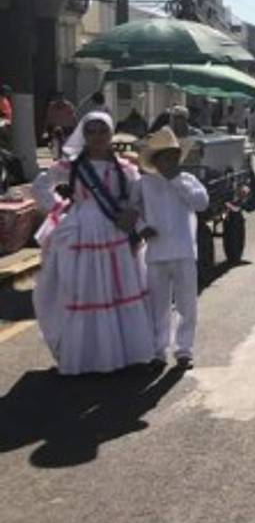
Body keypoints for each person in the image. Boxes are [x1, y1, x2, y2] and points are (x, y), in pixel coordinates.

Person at [32, 111, 158, 374]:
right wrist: (60, 211)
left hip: (116, 232)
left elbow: (137, 197)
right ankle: (88, 356)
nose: (98, 136)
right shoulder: (72, 166)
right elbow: (41, 186)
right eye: (92, 131)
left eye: (103, 131)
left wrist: (132, 213)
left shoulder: (125, 167)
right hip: (82, 231)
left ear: (111, 134)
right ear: (84, 134)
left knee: (118, 287)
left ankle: (123, 353)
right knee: (85, 288)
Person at [137, 127, 210, 369]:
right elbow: (133, 210)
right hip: (156, 253)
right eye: (164, 158)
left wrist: (177, 181)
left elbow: (201, 203)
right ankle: (159, 351)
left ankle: (184, 350)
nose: (169, 162)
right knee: (158, 306)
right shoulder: (144, 184)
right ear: (155, 161)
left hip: (184, 251)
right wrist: (141, 227)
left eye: (173, 157)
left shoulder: (188, 181)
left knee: (186, 304)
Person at [44, 92, 77, 159]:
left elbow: (73, 117)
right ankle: (56, 154)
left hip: (67, 127)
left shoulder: (68, 106)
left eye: (61, 98)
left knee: (66, 141)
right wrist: (45, 130)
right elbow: (48, 118)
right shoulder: (52, 106)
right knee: (55, 140)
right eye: (58, 98)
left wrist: (75, 127)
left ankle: (65, 154)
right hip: (54, 127)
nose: (60, 100)